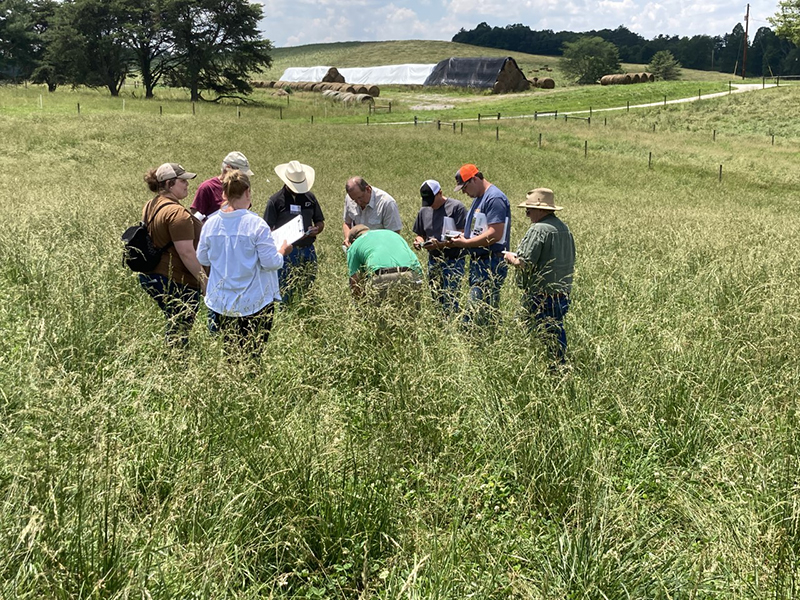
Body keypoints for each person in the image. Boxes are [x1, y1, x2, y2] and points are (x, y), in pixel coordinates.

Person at [196, 171, 292, 354]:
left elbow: (202, 258)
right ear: (247, 191)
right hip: (254, 300)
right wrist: (282, 251)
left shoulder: (211, 224)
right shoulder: (256, 225)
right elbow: (270, 263)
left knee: (230, 352)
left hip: (222, 301)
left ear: (224, 193)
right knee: (253, 352)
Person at [504, 188, 575, 363]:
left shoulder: (539, 229)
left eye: (529, 210)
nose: (527, 214)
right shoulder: (564, 228)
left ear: (541, 209)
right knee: (554, 333)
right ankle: (557, 367)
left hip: (540, 295)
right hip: (562, 293)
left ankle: (537, 366)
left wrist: (509, 257)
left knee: (520, 331)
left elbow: (524, 263)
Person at [139, 163, 205, 347]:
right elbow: (186, 253)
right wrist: (203, 281)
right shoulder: (177, 214)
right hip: (177, 279)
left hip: (154, 275)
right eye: (182, 181)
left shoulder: (151, 205)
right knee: (180, 329)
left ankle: (173, 358)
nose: (187, 185)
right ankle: (177, 363)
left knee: (174, 324)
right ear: (169, 184)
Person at [447, 164, 511, 326]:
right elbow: (479, 230)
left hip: (490, 262)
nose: (463, 192)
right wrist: (461, 237)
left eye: (465, 187)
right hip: (479, 262)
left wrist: (466, 242)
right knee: (487, 311)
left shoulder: (494, 198)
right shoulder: (479, 199)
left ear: (474, 179)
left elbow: (495, 234)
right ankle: (493, 340)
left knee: (472, 314)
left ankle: (470, 340)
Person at [264, 160, 324, 304]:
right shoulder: (275, 201)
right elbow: (267, 229)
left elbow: (320, 222)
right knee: (286, 288)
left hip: (308, 248)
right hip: (287, 251)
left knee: (308, 285)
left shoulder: (310, 198)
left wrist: (317, 229)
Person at [412, 179, 467, 316]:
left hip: (453, 260)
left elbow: (463, 234)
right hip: (433, 260)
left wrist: (441, 244)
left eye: (432, 200)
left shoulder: (456, 207)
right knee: (436, 297)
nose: (430, 205)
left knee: (451, 298)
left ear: (440, 193)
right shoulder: (424, 210)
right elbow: (420, 234)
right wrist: (419, 242)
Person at [347, 225, 423, 302]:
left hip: (382, 277)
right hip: (410, 274)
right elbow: (413, 259)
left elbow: (355, 282)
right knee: (411, 313)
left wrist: (360, 305)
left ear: (353, 240)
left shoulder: (354, 246)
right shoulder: (392, 234)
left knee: (382, 313)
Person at [190, 151, 255, 219]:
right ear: (228, 168)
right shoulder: (207, 188)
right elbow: (195, 217)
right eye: (241, 173)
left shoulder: (242, 188)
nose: (243, 178)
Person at [342, 176, 402, 247]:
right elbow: (347, 223)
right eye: (354, 200)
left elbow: (394, 234)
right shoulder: (350, 198)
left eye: (360, 198)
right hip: (358, 246)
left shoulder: (387, 203)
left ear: (368, 189)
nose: (358, 202)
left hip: (380, 247)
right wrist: (348, 238)